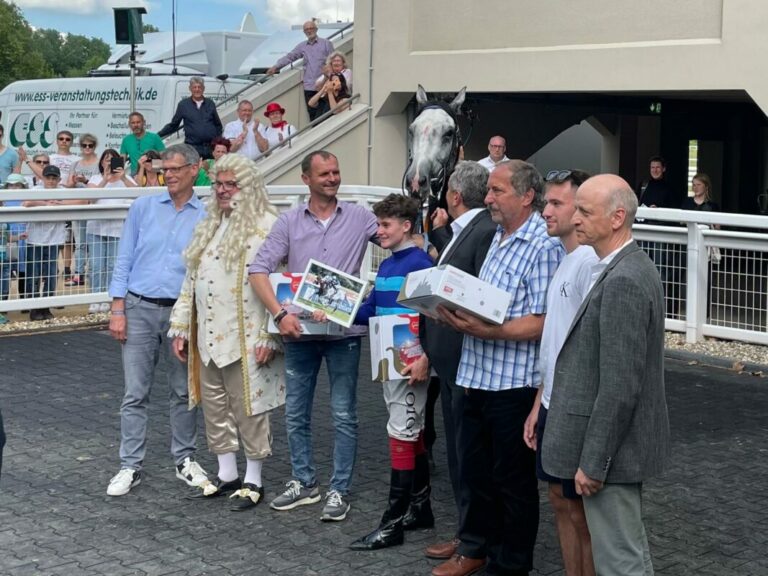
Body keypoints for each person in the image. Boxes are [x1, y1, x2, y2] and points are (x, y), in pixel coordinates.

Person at [435, 160, 564, 576]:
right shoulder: (496, 236)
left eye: (497, 191)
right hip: (475, 375)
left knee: (512, 482)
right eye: (488, 191)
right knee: (476, 472)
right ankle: (479, 548)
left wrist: (492, 331)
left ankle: (510, 564)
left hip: (512, 384)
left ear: (527, 196)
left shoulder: (544, 246)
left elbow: (545, 320)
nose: (487, 198)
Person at [541, 174, 671, 576]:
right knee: (625, 553)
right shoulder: (621, 268)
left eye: (584, 211)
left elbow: (619, 386)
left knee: (620, 561)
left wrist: (595, 463)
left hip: (612, 456)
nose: (575, 219)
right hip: (613, 450)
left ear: (617, 218)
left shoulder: (624, 280)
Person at [249, 150, 377, 522]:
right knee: (296, 414)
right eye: (324, 173)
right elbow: (258, 269)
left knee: (343, 414)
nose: (332, 178)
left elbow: (395, 238)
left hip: (343, 333)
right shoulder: (288, 222)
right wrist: (280, 313)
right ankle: (304, 483)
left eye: (336, 172)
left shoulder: (360, 216)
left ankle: (340, 489)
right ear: (306, 178)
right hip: (299, 331)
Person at [169, 153, 285, 510]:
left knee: (249, 407)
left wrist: (271, 335)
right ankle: (227, 475)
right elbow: (192, 279)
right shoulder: (211, 224)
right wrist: (180, 326)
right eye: (218, 184)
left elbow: (279, 285)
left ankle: (254, 479)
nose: (222, 190)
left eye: (230, 184)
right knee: (215, 406)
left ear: (247, 187)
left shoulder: (267, 225)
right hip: (208, 335)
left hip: (249, 335)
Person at [106, 144, 209, 497]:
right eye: (166, 169)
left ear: (196, 169)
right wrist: (117, 308)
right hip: (139, 307)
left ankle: (185, 459)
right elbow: (124, 258)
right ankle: (129, 465)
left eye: (177, 169)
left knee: (184, 391)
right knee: (135, 392)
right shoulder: (143, 207)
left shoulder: (206, 216)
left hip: (182, 313)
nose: (170, 175)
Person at [415, 161, 497, 563]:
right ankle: (468, 533)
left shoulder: (481, 231)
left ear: (454, 194)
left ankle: (476, 542)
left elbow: (477, 293)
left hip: (465, 360)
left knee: (470, 457)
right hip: (450, 361)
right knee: (459, 455)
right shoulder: (464, 230)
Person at [348, 194, 435, 551]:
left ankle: (392, 524)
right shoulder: (387, 266)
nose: (378, 231)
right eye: (378, 224)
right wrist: (328, 310)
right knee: (410, 433)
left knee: (402, 432)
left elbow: (433, 314)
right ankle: (420, 508)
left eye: (385, 225)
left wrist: (426, 357)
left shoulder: (419, 264)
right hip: (390, 362)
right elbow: (370, 308)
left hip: (409, 363)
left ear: (406, 226)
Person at [522, 169, 597, 576]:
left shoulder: (589, 263)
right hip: (552, 402)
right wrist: (539, 403)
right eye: (545, 202)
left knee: (581, 511)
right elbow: (555, 342)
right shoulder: (566, 259)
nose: (545, 211)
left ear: (581, 210)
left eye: (555, 204)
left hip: (575, 408)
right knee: (558, 498)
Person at [22, 165, 86, 320]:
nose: (51, 181)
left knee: (51, 274)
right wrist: (45, 203)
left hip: (54, 240)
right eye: (48, 177)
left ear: (58, 179)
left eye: (54, 178)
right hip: (34, 240)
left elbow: (82, 200)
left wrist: (59, 204)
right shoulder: (36, 190)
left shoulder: (62, 191)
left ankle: (46, 307)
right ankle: (34, 307)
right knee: (33, 275)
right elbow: (26, 202)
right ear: (42, 178)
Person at [85, 149, 135, 314]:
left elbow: (138, 195)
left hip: (117, 229)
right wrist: (105, 180)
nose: (109, 162)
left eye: (112, 160)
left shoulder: (126, 179)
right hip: (96, 228)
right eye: (106, 159)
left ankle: (110, 297)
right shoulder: (95, 178)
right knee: (96, 265)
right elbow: (90, 198)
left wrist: (123, 177)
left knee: (113, 265)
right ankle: (95, 297)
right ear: (101, 162)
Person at [265, 20, 334, 121]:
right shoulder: (302, 46)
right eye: (306, 29)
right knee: (313, 117)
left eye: (311, 28)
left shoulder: (326, 44)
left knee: (327, 116)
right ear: (304, 32)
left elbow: (333, 61)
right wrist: (276, 67)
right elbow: (290, 57)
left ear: (316, 29)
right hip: (310, 87)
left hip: (325, 86)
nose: (309, 31)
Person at [64, 133, 102, 288]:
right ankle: (78, 274)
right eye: (84, 145)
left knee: (93, 243)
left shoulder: (99, 163)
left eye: (90, 145)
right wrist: (73, 182)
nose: (87, 148)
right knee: (79, 242)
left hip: (94, 206)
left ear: (94, 146)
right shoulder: (75, 164)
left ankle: (93, 272)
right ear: (80, 146)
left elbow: (100, 183)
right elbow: (69, 185)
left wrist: (85, 181)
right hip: (79, 205)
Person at [158, 77, 223, 160]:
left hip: (210, 147)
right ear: (190, 89)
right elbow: (174, 125)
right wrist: (158, 135)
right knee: (193, 171)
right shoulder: (183, 105)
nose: (197, 90)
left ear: (203, 89)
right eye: (194, 87)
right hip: (193, 148)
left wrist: (217, 142)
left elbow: (218, 125)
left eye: (199, 87)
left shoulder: (210, 103)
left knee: (210, 171)